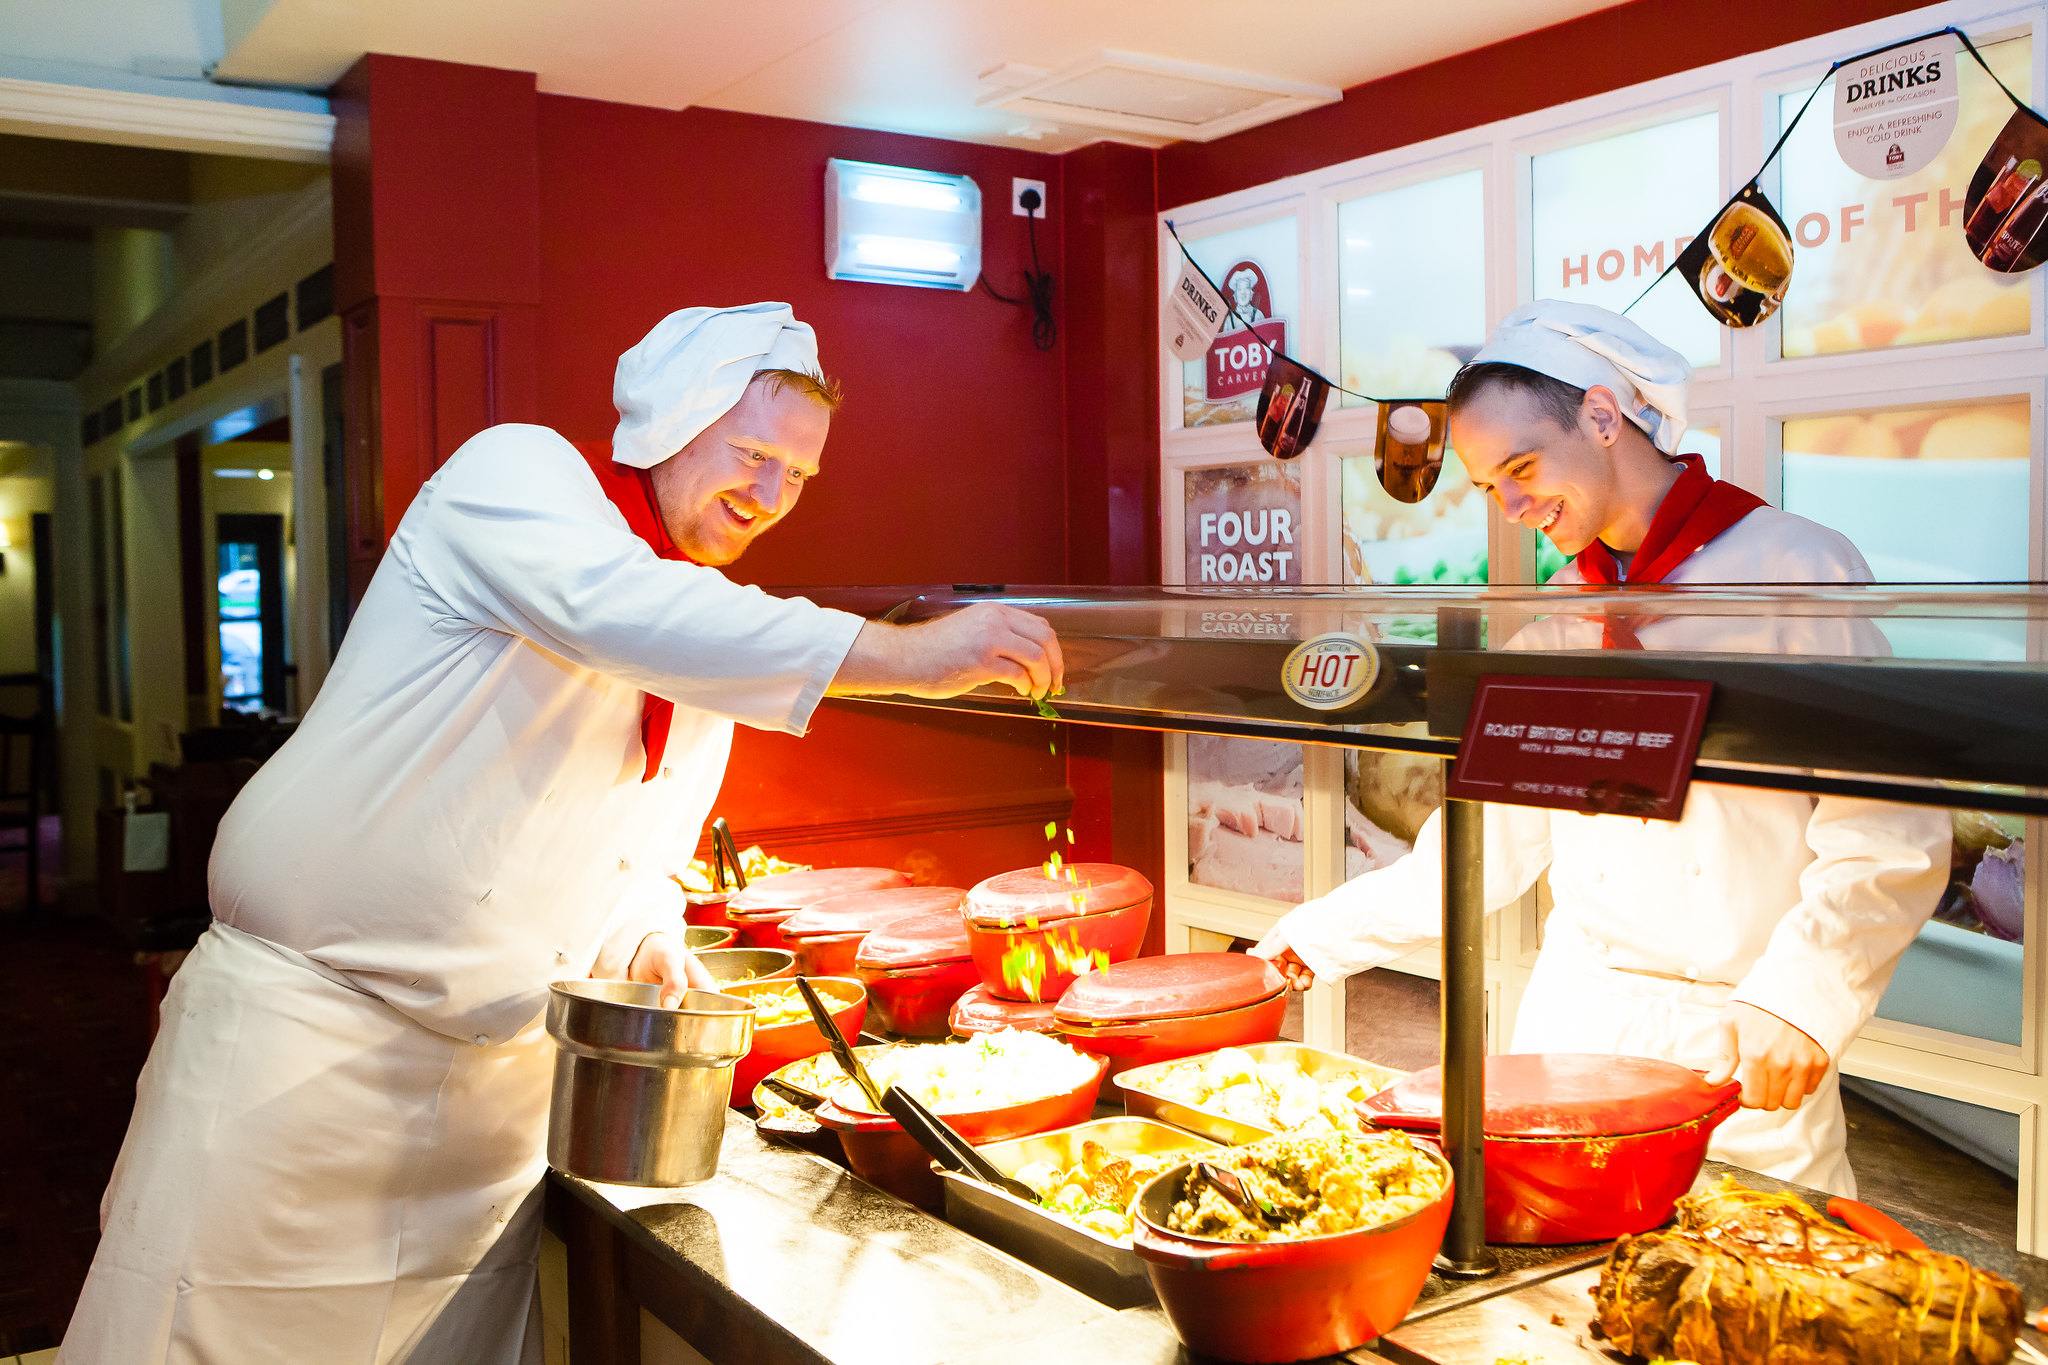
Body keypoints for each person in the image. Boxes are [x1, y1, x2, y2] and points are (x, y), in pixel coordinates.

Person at [62, 302, 1063, 1364]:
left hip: (490, 1116)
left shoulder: (698, 641)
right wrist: (911, 655)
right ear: (674, 418)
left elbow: (636, 857)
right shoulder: (517, 479)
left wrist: (641, 938)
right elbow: (618, 611)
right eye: (754, 453)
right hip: (304, 1062)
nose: (771, 497)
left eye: (800, 478)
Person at [1253, 298, 1948, 1196]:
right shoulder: (1556, 629)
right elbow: (1482, 853)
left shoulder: (1795, 571)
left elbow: (1890, 825)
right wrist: (1306, 942)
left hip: (1736, 1039)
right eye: (1489, 485)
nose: (1510, 505)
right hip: (1570, 1030)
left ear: (1604, 415)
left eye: (1522, 466)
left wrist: (1804, 996)